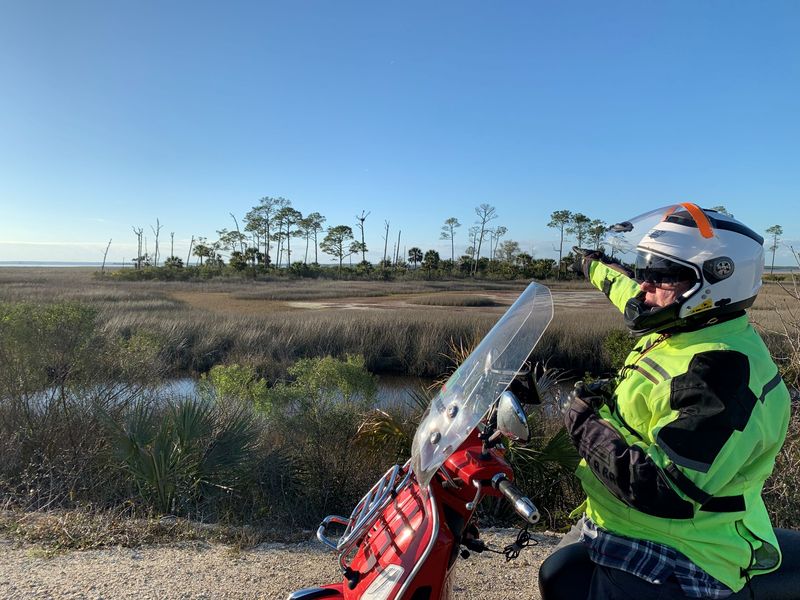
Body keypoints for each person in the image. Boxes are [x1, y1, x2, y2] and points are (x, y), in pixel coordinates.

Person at [539, 204, 791, 599]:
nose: (643, 287)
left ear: (716, 281)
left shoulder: (723, 373)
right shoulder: (680, 321)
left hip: (684, 548)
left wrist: (585, 422)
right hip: (624, 520)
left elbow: (665, 490)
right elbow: (623, 287)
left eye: (660, 275)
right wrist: (590, 264)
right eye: (644, 270)